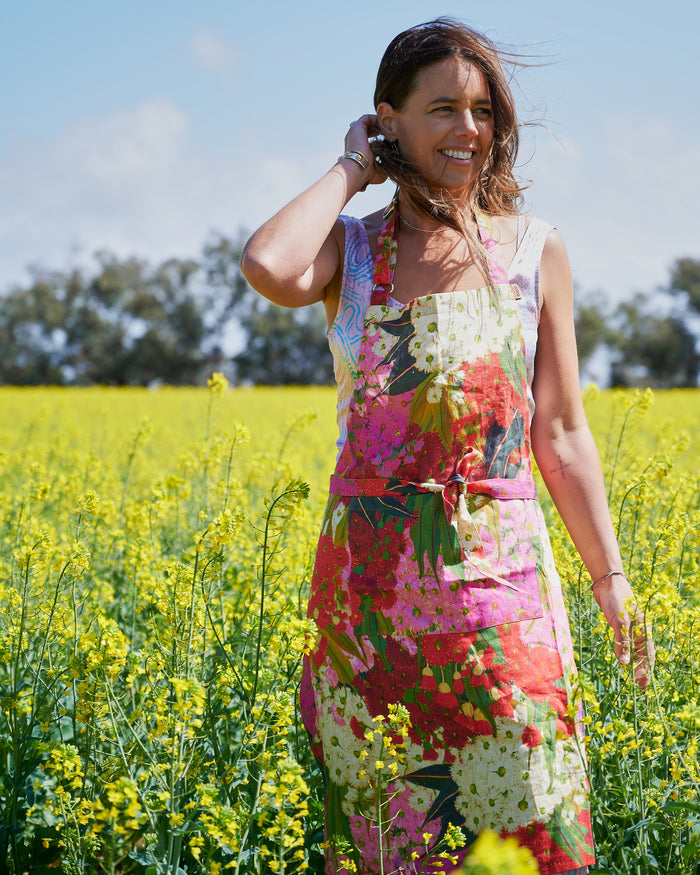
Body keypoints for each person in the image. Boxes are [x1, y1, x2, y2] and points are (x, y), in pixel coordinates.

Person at [241, 18, 654, 875]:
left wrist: (610, 580)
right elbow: (270, 265)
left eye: (481, 111)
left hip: (502, 590)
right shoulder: (349, 254)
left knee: (531, 820)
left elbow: (562, 432)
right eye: (441, 110)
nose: (468, 131)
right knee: (382, 832)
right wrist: (353, 167)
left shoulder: (534, 251)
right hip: (370, 602)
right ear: (388, 118)